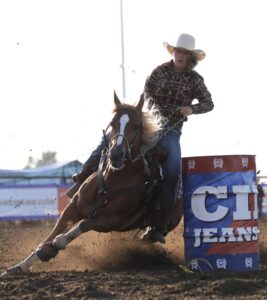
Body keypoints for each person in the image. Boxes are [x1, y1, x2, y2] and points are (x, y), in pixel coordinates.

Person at [67, 33, 214, 243]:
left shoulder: (195, 80)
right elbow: (147, 95)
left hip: (171, 130)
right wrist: (151, 114)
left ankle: (160, 225)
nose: (180, 55)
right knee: (109, 140)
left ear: (190, 57)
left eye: (185, 53)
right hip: (147, 124)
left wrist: (191, 108)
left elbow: (209, 103)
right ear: (174, 52)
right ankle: (81, 179)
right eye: (178, 51)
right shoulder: (159, 71)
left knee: (172, 169)